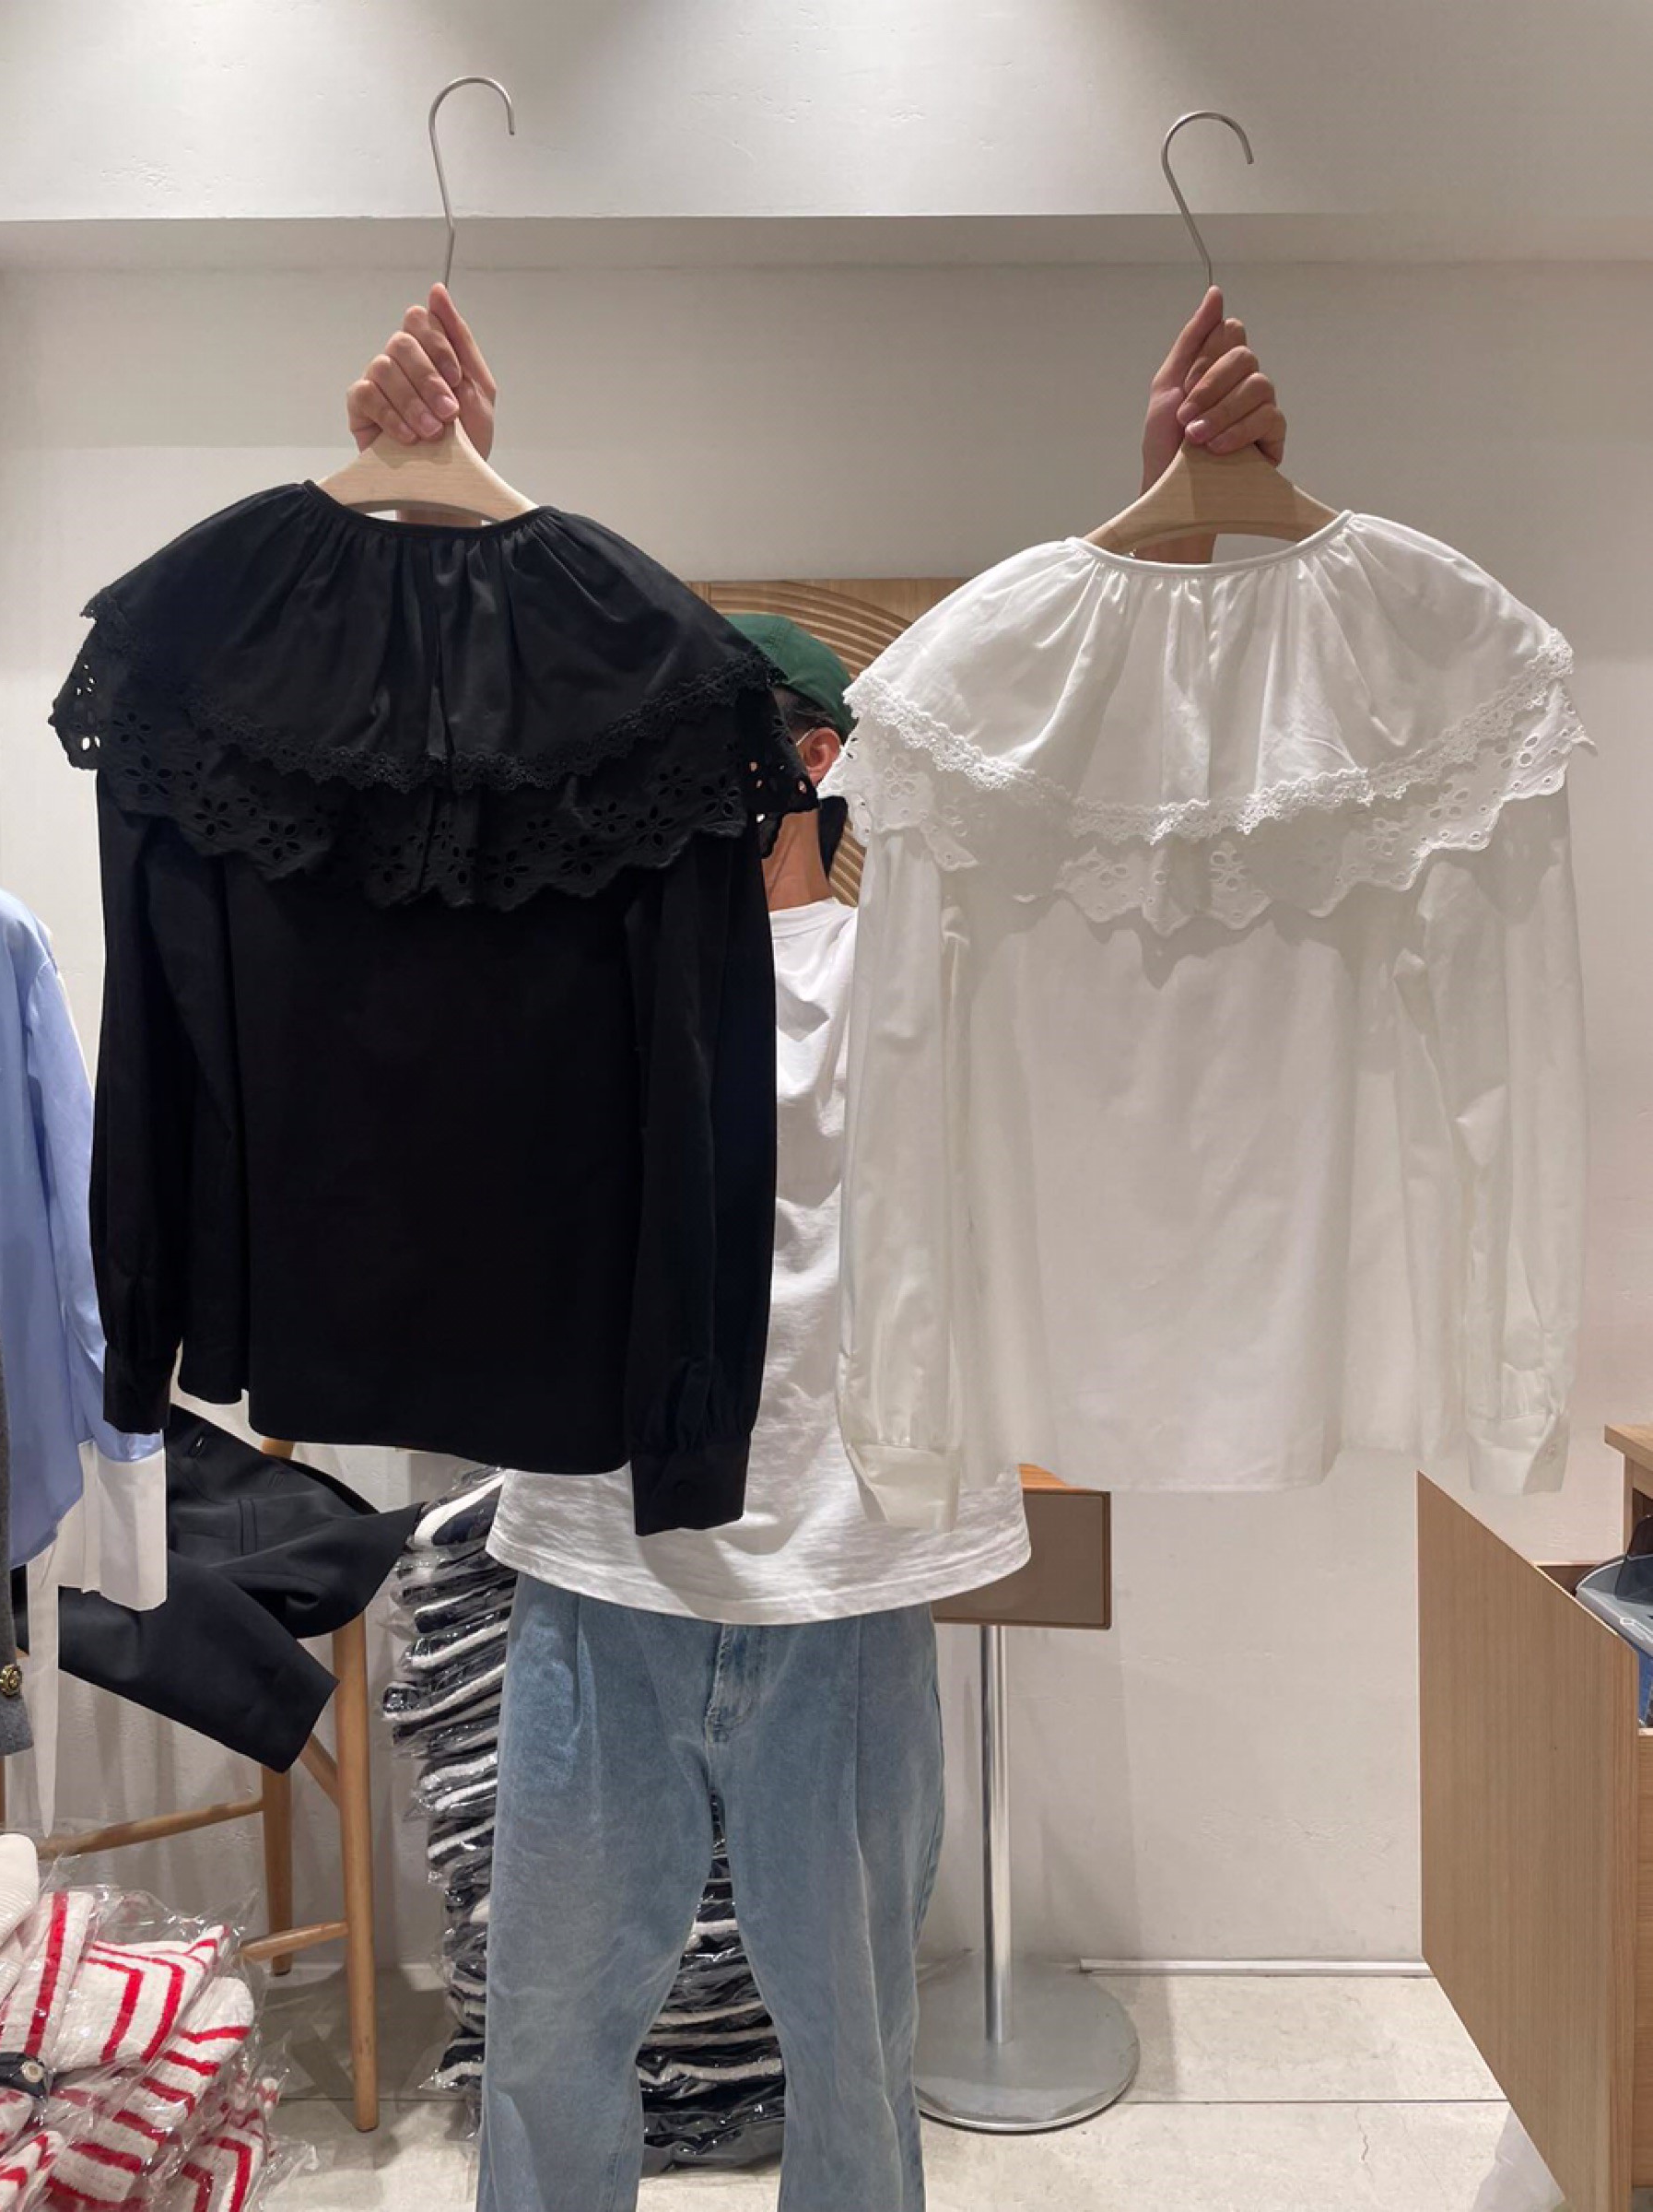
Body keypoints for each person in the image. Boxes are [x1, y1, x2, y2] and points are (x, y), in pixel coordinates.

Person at [347, 282, 1289, 2212]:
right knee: (549, 2036)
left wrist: (1174, 539)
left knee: (854, 2041)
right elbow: (405, 830)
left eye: (736, 746)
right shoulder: (581, 967)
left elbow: (1133, 830)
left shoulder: (920, 970)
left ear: (815, 762)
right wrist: (424, 512)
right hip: (602, 1565)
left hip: (849, 1578)